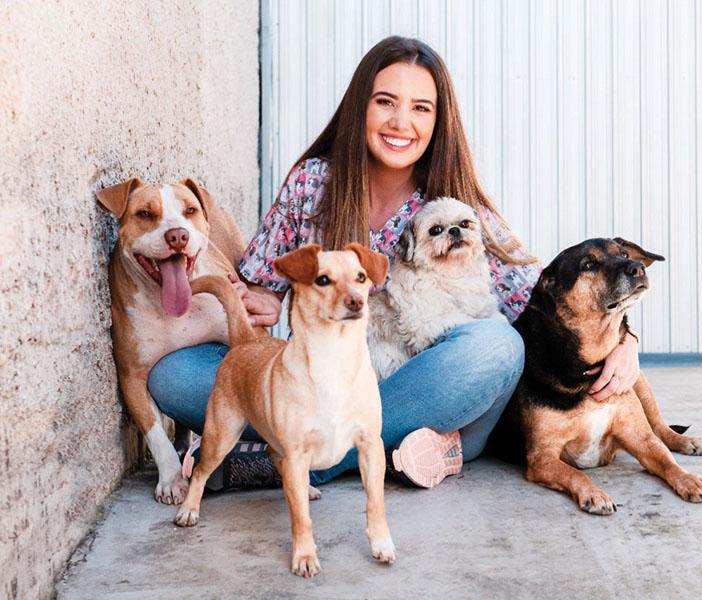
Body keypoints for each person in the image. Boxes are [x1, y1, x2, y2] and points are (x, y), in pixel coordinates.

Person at [148, 36, 641, 489]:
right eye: (385, 101)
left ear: (438, 121)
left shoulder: (459, 207)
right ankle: (372, 451)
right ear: (360, 107)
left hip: (439, 410)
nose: (401, 122)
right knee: (173, 375)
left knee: (498, 347)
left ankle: (315, 462)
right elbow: (261, 282)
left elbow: (546, 302)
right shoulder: (312, 184)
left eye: (420, 108)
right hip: (321, 393)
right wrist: (260, 300)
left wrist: (625, 343)